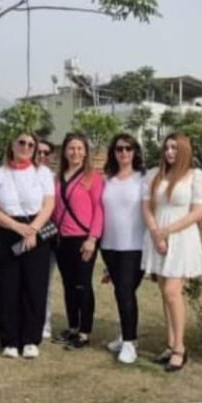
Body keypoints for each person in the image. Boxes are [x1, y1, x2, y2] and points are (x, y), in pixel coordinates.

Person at [142, 133, 202, 372]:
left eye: (174, 147)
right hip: (157, 236)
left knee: (173, 292)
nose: (170, 152)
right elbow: (146, 207)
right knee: (164, 292)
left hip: (181, 238)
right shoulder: (154, 175)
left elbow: (197, 213)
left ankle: (180, 348)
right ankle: (170, 343)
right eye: (167, 147)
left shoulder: (195, 177)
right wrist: (155, 233)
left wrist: (167, 232)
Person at [0, 133, 55, 358]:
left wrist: (33, 229)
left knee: (35, 286)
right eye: (21, 142)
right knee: (7, 285)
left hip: (35, 231)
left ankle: (30, 338)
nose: (25, 147)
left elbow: (49, 205)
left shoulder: (42, 173)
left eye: (30, 144)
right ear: (12, 145)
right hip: (8, 230)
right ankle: (9, 339)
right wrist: (16, 227)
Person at [52, 133, 104, 349]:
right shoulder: (57, 177)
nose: (75, 152)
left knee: (83, 284)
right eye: (71, 148)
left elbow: (99, 209)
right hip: (62, 239)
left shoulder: (93, 177)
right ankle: (73, 326)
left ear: (86, 152)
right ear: (65, 151)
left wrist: (93, 238)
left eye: (80, 148)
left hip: (83, 238)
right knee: (68, 284)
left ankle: (84, 331)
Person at [100, 134, 146, 365]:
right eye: (119, 149)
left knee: (125, 292)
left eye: (129, 148)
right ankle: (126, 335)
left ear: (135, 152)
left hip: (134, 246)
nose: (124, 153)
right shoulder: (107, 179)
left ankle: (129, 342)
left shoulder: (144, 179)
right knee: (122, 292)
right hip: (109, 246)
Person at [36, 139, 58, 340]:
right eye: (38, 151)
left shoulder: (55, 179)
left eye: (46, 153)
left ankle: (45, 321)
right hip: (22, 233)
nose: (41, 156)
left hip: (47, 235)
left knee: (46, 282)